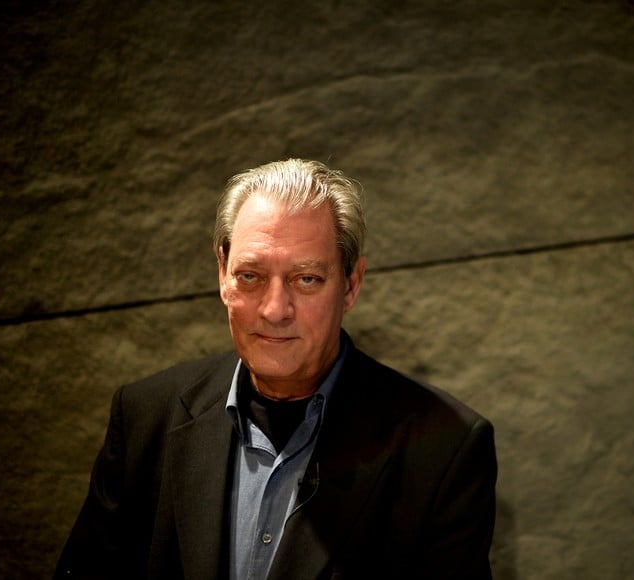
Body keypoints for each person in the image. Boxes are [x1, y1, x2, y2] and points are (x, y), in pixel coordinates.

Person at [55, 159, 498, 579]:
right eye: (250, 276)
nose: (274, 309)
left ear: (351, 286)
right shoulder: (143, 417)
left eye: (306, 279)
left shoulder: (444, 450)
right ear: (222, 274)